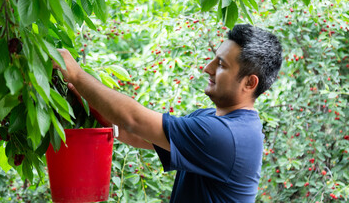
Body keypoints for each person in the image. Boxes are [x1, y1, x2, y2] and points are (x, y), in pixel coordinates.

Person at [53, 24, 282, 202]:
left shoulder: (228, 137)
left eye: (221, 65)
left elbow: (134, 120)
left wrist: (76, 74)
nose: (207, 68)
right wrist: (86, 101)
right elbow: (135, 134)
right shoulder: (209, 118)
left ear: (250, 83)